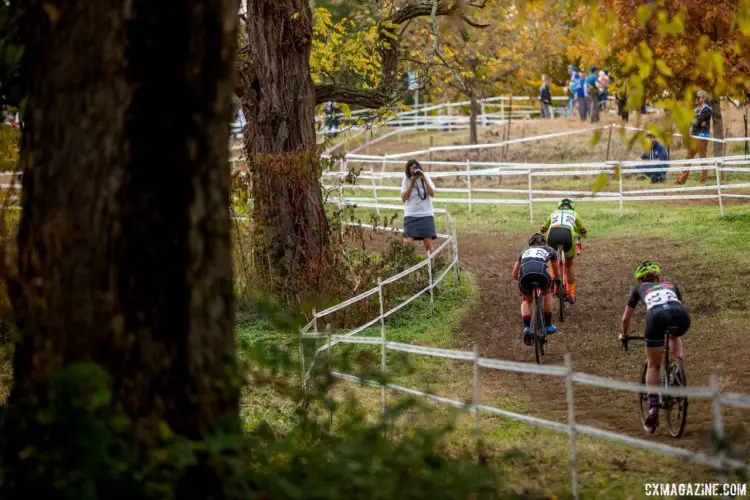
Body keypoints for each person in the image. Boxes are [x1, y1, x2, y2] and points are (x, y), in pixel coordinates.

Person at [619, 261, 690, 434]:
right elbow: (675, 303)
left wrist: (625, 334)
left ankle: (653, 408)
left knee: (653, 365)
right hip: (681, 316)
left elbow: (626, 319)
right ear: (658, 277)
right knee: (675, 335)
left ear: (640, 279)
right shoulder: (671, 285)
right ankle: (678, 368)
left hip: (656, 317)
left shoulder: (639, 289)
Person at [512, 233, 562, 346]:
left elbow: (514, 273)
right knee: (547, 294)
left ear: (530, 243)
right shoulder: (550, 250)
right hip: (542, 274)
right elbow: (555, 269)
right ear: (544, 242)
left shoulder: (524, 251)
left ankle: (527, 328)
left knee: (526, 301)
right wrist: (557, 281)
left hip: (525, 275)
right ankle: (548, 325)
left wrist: (521, 284)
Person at [540, 198, 588, 304]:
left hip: (552, 235)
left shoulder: (553, 213)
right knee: (569, 265)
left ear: (559, 206)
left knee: (551, 261)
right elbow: (583, 231)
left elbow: (543, 229)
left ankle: (551, 280)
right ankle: (571, 294)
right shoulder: (574, 213)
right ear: (572, 207)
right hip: (567, 236)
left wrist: (543, 228)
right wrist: (582, 233)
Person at [400, 159, 437, 254]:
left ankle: (432, 267)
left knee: (428, 243)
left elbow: (432, 193)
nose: (414, 170)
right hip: (411, 214)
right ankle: (404, 266)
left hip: (426, 213)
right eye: (411, 169)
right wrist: (411, 184)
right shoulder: (406, 179)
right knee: (408, 242)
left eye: (415, 168)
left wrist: (424, 178)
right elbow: (404, 198)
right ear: (408, 170)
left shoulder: (425, 176)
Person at [675, 90, 712, 185]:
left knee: (702, 159)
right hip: (694, 136)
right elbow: (692, 122)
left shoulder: (707, 109)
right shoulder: (696, 110)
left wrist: (695, 121)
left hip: (702, 136)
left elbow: (697, 122)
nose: (697, 99)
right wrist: (694, 121)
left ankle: (703, 180)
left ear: (703, 98)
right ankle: (681, 180)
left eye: (699, 97)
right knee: (688, 158)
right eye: (697, 97)